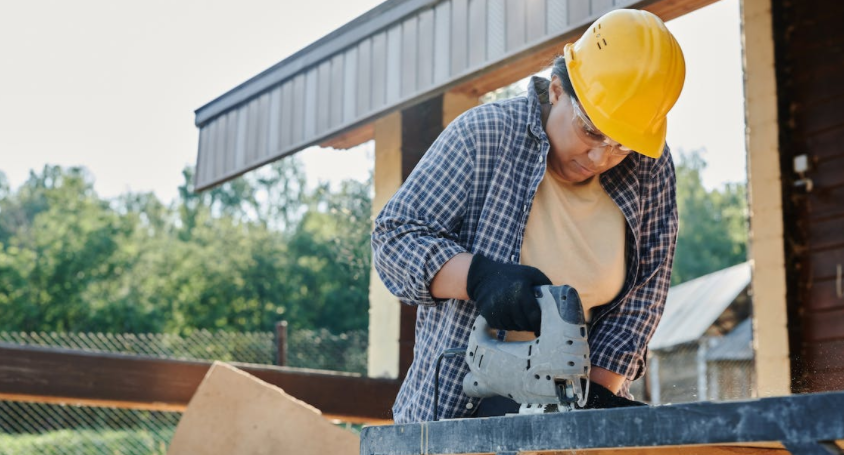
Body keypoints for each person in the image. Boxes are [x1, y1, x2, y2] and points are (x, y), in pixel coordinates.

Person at [372, 9, 685, 423]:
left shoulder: (650, 168)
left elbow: (642, 300)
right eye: (590, 131)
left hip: (581, 402)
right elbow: (395, 239)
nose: (600, 157)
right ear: (557, 90)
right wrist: (479, 278)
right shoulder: (485, 136)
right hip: (455, 412)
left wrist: (587, 410)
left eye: (621, 145)